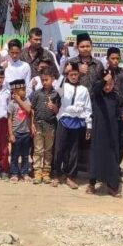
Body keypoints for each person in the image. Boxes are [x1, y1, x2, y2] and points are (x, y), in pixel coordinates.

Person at [52, 61, 92, 189]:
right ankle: (57, 174)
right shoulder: (64, 86)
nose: (73, 77)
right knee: (59, 149)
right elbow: (57, 89)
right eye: (71, 75)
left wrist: (89, 126)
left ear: (79, 75)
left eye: (75, 74)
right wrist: (64, 73)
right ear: (68, 75)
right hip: (64, 119)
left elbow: (87, 109)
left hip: (77, 121)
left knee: (73, 150)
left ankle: (70, 176)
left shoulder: (84, 90)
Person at [87, 71, 123, 197]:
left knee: (112, 158)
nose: (107, 87)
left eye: (110, 84)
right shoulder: (97, 94)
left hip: (112, 131)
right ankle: (92, 184)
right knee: (96, 156)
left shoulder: (115, 96)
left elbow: (119, 110)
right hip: (98, 130)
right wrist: (103, 80)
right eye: (105, 84)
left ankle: (112, 186)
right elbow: (96, 88)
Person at [31, 70, 60, 185]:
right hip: (38, 124)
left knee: (48, 151)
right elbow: (32, 109)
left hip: (50, 125)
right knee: (38, 150)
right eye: (42, 80)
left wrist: (53, 107)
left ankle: (46, 172)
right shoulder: (37, 93)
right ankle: (37, 172)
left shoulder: (56, 94)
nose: (44, 82)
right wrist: (32, 124)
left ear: (52, 79)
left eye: (46, 80)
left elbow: (58, 111)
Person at [105, 47, 123, 164]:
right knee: (109, 139)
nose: (115, 61)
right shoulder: (103, 73)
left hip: (121, 112)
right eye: (112, 58)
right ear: (107, 59)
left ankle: (117, 165)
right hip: (108, 112)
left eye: (117, 58)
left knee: (122, 139)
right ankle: (109, 165)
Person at [7, 79, 33, 182]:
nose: (25, 91)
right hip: (16, 133)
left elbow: (28, 110)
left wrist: (19, 100)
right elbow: (9, 119)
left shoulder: (27, 100)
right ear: (16, 92)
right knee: (15, 154)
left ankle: (25, 173)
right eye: (23, 90)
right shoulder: (11, 104)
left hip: (26, 132)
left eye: (25, 89)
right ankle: (14, 173)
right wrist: (11, 134)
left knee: (25, 155)